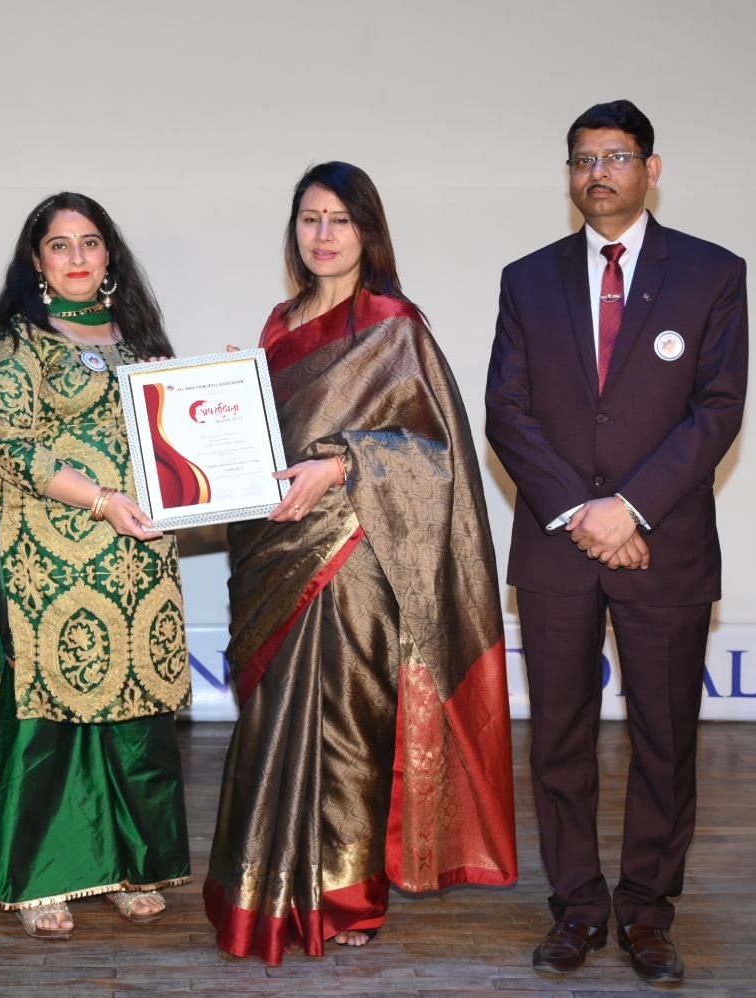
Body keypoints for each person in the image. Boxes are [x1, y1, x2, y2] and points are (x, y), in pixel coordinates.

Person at [203, 162, 518, 965]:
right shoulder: (280, 325)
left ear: (367, 232)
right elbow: (269, 444)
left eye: (339, 220)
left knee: (347, 725)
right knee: (268, 725)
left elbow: (437, 453)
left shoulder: (394, 326)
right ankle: (258, 891)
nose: (323, 235)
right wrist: (234, 402)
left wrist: (343, 464)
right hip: (274, 553)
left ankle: (347, 894)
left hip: (354, 554)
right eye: (310, 219)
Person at [486, 100, 748, 985]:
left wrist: (630, 509)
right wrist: (583, 512)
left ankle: (646, 910)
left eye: (616, 156)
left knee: (664, 739)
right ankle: (577, 906)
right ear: (569, 174)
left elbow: (717, 410)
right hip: (557, 544)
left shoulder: (711, 274)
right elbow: (506, 412)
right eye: (583, 159)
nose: (598, 172)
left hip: (664, 543)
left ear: (651, 168)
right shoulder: (527, 280)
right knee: (559, 737)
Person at [0, 192, 191, 940]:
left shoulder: (139, 337)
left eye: (91, 242)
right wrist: (101, 500)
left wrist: (219, 400)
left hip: (136, 559)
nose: (78, 257)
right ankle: (43, 877)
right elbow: (10, 444)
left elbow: (172, 437)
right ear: (36, 261)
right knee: (52, 720)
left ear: (110, 256)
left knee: (134, 715)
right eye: (60, 244)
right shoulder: (15, 341)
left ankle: (133, 868)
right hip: (46, 559)